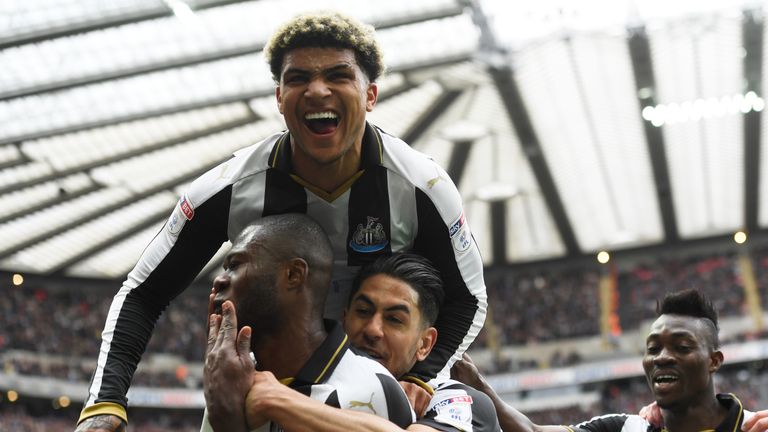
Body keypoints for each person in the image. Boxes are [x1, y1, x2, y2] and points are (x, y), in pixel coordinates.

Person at [76, 10, 486, 430]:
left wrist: (422, 373)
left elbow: (469, 297)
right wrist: (104, 402)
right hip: (254, 394)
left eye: (339, 76)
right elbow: (144, 292)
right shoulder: (230, 188)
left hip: (377, 392)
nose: (317, 90)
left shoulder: (422, 186)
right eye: (297, 78)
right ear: (278, 97)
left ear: (370, 95)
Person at [208, 252, 499, 431]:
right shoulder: (312, 384)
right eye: (363, 311)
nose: (373, 329)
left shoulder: (457, 401)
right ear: (345, 318)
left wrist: (275, 400)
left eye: (395, 319)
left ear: (425, 344)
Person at [201, 214, 414, 431]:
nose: (219, 279)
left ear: (293, 274)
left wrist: (229, 422)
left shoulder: (372, 389)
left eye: (235, 265)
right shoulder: (229, 379)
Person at [451, 289, 768, 432]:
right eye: (653, 348)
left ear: (714, 361)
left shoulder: (754, 426)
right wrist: (478, 385)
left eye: (682, 347)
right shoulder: (626, 428)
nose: (662, 358)